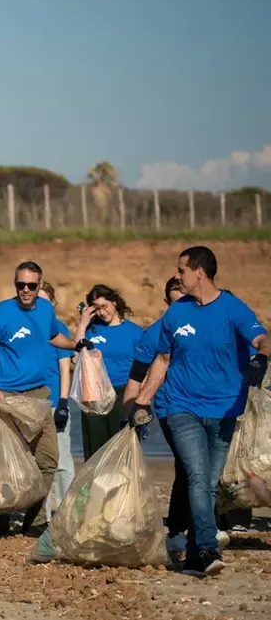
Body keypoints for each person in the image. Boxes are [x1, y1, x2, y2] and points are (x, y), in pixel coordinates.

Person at [132, 246, 269, 576]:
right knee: (196, 475)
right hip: (181, 407)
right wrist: (141, 403)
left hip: (224, 412)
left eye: (181, 270)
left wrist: (261, 358)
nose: (177, 276)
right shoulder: (176, 313)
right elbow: (162, 362)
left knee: (208, 483)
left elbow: (264, 338)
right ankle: (207, 549)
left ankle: (195, 553)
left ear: (199, 273)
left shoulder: (233, 309)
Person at [0, 261, 81, 537]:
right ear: (15, 284)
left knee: (48, 460)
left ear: (40, 285)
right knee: (4, 464)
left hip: (39, 395)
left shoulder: (46, 308)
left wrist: (75, 345)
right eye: (20, 285)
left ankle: (33, 521)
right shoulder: (0, 313)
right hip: (6, 398)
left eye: (31, 286)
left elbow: (54, 335)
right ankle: (0, 520)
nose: (25, 290)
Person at [125, 276, 192, 559]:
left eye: (186, 302)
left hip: (208, 405)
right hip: (170, 407)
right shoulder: (154, 334)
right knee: (188, 463)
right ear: (167, 303)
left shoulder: (206, 324)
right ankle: (179, 531)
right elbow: (136, 376)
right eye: (175, 303)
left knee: (200, 469)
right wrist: (128, 415)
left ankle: (204, 525)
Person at [74, 284, 143, 459]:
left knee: (121, 448)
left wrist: (143, 401)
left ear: (114, 302)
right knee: (95, 451)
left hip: (123, 392)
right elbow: (75, 358)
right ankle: (92, 486)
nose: (102, 312)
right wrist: (82, 323)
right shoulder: (90, 330)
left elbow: (145, 368)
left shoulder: (134, 332)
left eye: (104, 306)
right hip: (94, 394)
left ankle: (122, 485)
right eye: (96, 309)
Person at [39, 282, 75, 519]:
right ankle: (40, 516)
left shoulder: (59, 328)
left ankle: (65, 512)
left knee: (61, 460)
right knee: (38, 462)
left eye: (45, 301)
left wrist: (63, 403)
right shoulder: (28, 328)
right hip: (32, 404)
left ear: (53, 303)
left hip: (54, 404)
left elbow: (65, 369)